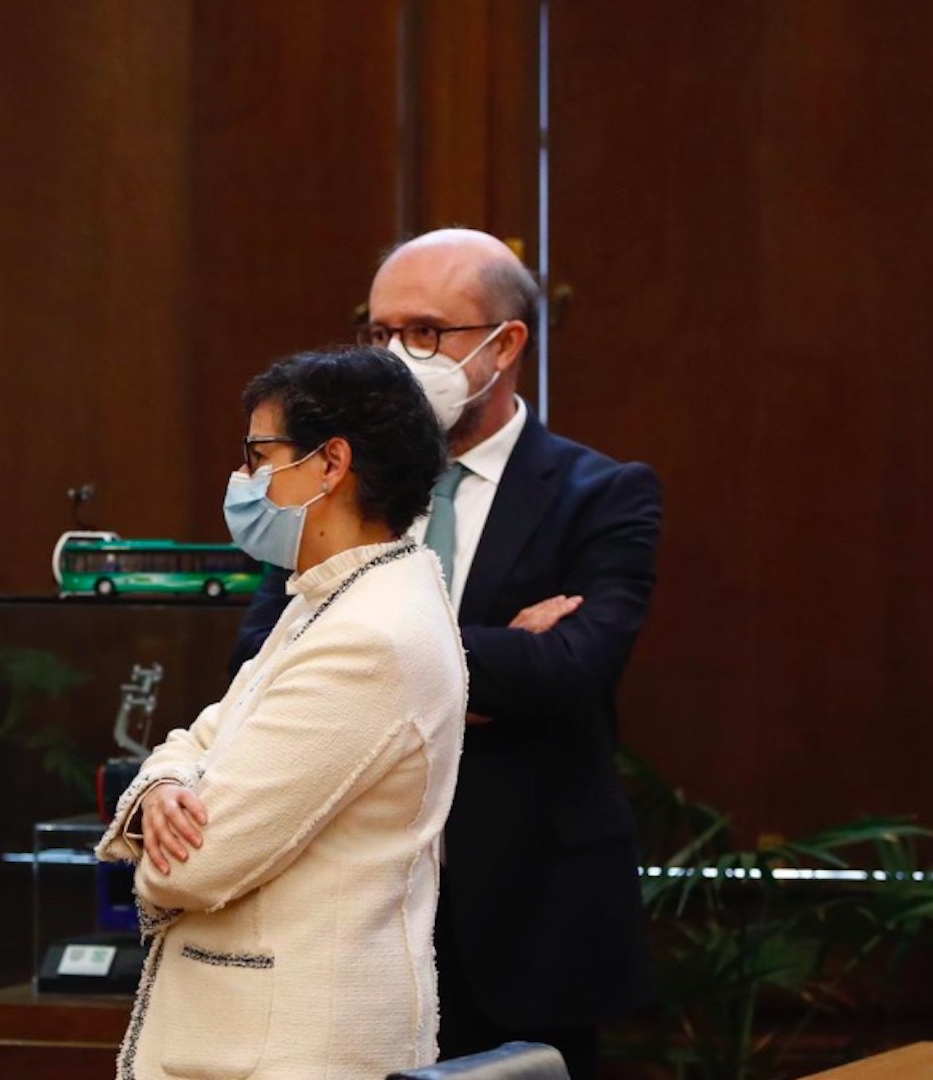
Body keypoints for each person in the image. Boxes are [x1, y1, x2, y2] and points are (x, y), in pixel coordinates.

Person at [233, 229, 660, 1078]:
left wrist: (370, 667)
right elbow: (267, 654)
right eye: (379, 331)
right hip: (355, 916)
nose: (395, 357)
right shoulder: (341, 482)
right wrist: (489, 658)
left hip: (530, 913)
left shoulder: (603, 493)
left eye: (425, 332)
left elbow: (570, 673)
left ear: (506, 344)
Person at [97, 345, 465, 1079]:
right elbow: (195, 736)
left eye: (259, 455)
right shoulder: (333, 596)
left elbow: (194, 867)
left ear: (330, 464)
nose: (243, 479)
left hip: (295, 1047)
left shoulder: (373, 633)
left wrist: (167, 800)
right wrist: (163, 786)